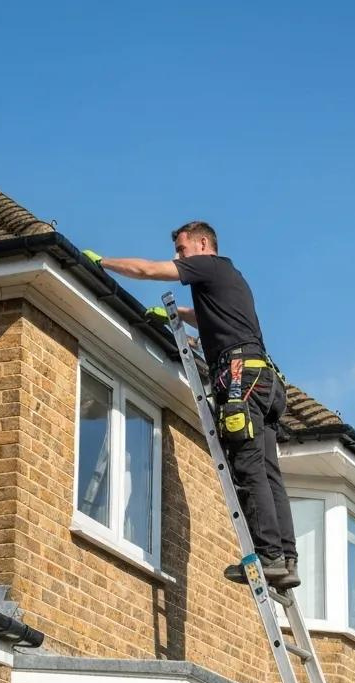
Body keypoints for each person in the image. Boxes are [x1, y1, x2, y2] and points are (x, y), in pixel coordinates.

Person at [85, 222, 300, 589]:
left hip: (239, 378)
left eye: (182, 250)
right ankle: (286, 558)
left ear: (203, 244)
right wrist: (177, 316)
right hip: (262, 379)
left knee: (248, 469)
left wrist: (103, 262)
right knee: (267, 471)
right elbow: (210, 319)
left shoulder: (210, 265)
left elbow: (148, 270)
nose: (177, 257)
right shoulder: (229, 280)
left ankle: (269, 557)